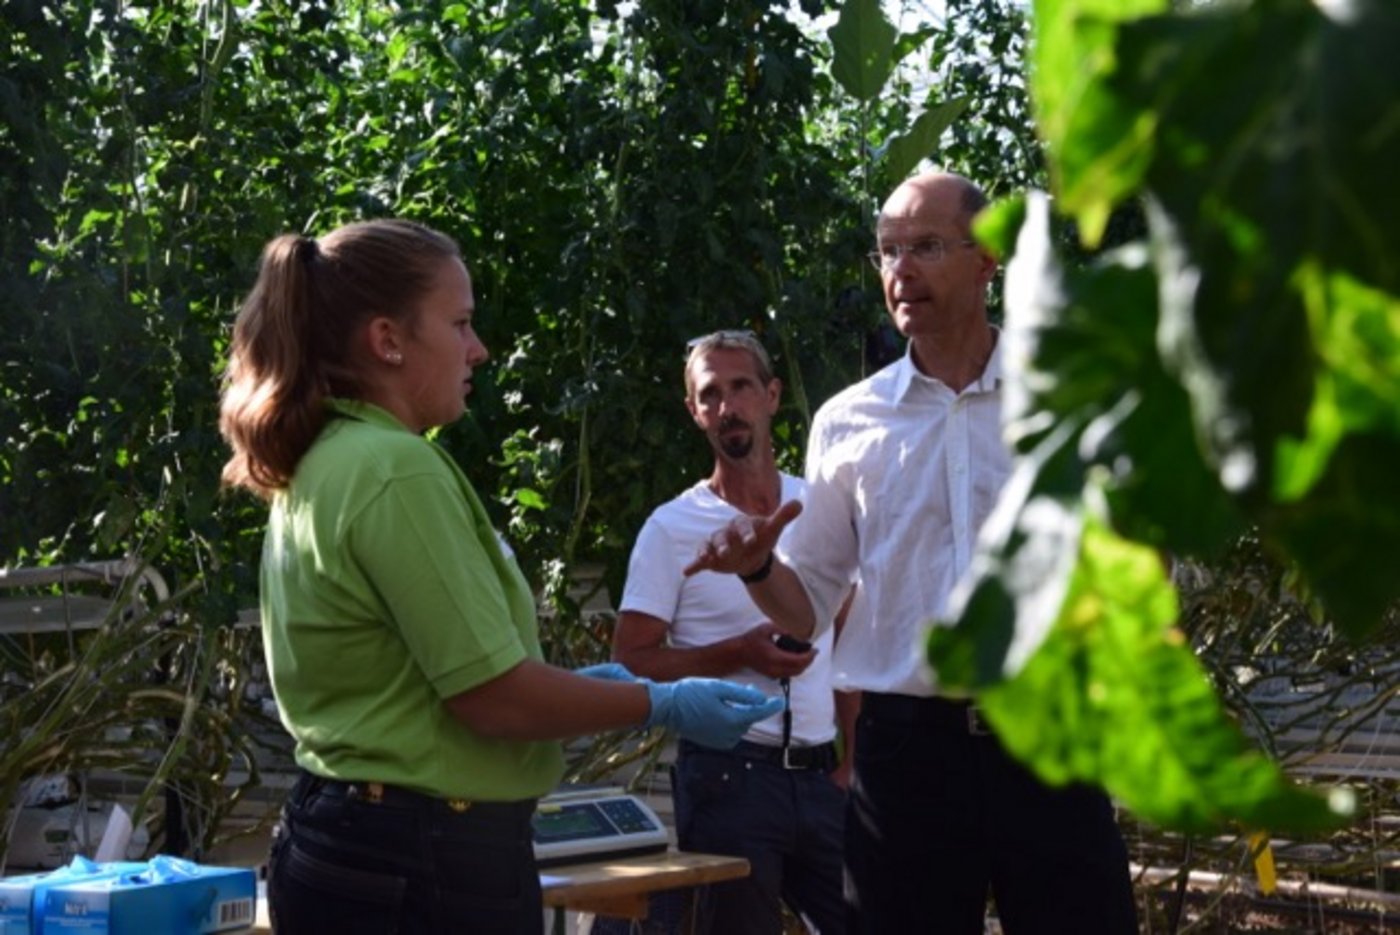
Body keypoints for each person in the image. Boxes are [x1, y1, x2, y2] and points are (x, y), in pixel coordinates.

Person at [217, 219, 783, 935]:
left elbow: (426, 680)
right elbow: (492, 700)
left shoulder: (332, 455)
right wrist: (659, 702)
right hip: (421, 858)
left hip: (354, 838)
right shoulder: (393, 467)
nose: (478, 348)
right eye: (459, 323)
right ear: (388, 339)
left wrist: (585, 689)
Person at [683, 172, 1138, 934]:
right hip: (907, 758)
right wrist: (759, 569)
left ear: (987, 259)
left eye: (925, 246)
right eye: (888, 250)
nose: (901, 270)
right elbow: (809, 605)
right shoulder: (848, 422)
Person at [612, 330, 856, 935]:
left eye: (741, 386)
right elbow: (631, 663)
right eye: (710, 394)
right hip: (728, 777)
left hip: (824, 776)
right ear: (695, 413)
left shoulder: (815, 509)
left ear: (772, 396)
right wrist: (735, 653)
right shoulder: (671, 527)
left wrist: (855, 761)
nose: (728, 406)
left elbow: (852, 642)